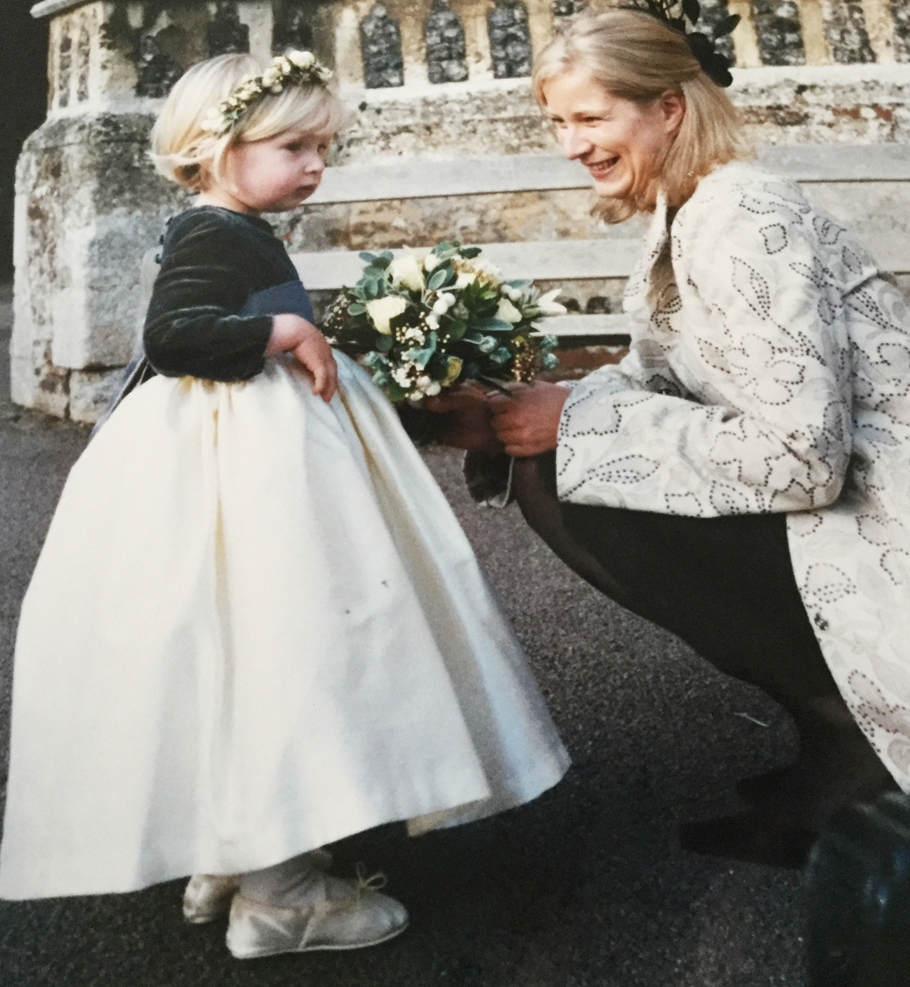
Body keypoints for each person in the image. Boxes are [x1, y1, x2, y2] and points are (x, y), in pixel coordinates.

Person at [0, 51, 570, 958]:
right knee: (282, 643)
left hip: (255, 448)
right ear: (217, 147)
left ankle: (238, 844)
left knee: (244, 649)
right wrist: (286, 329)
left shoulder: (230, 226)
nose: (314, 165)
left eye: (322, 147)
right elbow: (174, 334)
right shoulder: (211, 233)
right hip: (244, 465)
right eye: (293, 145)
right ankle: (283, 892)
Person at [429, 6, 910, 867]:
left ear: (669, 111)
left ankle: (851, 733)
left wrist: (571, 421)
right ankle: (829, 721)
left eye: (590, 117)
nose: (571, 144)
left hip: (885, 513)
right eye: (557, 122)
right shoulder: (689, 207)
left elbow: (806, 461)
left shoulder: (743, 224)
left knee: (560, 476)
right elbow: (662, 379)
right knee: (548, 459)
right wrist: (526, 405)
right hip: (853, 491)